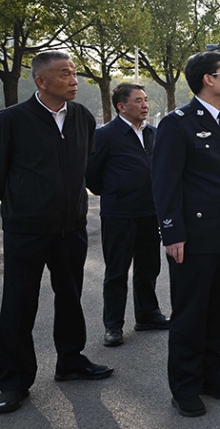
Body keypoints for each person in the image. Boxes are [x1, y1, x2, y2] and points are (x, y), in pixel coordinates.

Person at [0, 51, 114, 415]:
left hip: (71, 228)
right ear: (41, 81)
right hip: (26, 230)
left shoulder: (82, 117)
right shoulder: (11, 120)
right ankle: (13, 379)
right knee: (19, 303)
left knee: (70, 296)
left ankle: (71, 360)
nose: (74, 79)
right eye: (64, 74)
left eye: (75, 72)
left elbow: (83, 167)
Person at [152, 51, 220, 417]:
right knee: (191, 314)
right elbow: (165, 183)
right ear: (208, 79)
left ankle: (212, 374)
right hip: (194, 236)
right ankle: (185, 386)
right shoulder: (177, 123)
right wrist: (171, 233)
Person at [85, 83, 169, 349]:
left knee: (149, 267)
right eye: (138, 101)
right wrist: (115, 191)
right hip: (119, 214)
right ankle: (113, 325)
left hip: (150, 212)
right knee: (117, 271)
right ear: (121, 107)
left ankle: (148, 315)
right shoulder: (106, 135)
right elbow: (91, 174)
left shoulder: (154, 133)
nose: (145, 105)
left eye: (146, 100)